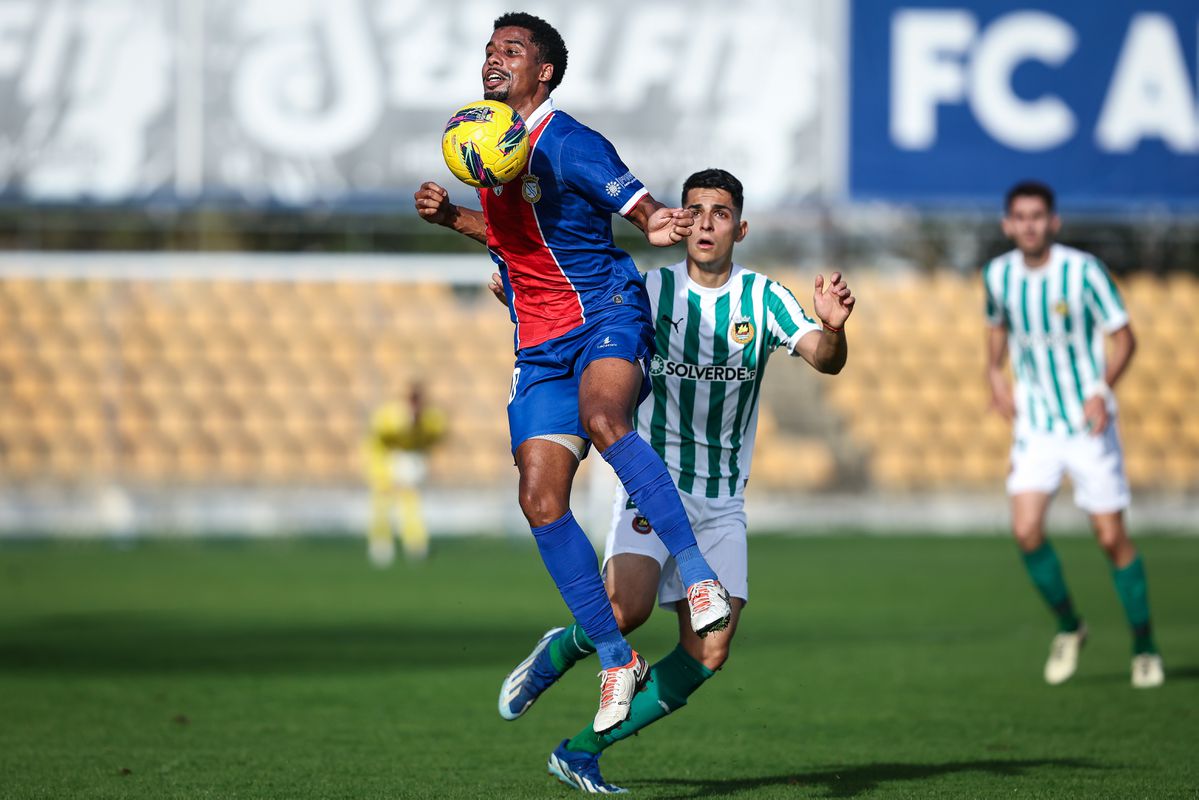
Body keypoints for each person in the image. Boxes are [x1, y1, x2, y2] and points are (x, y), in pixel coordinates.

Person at [412, 12, 731, 734]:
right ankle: (614, 657)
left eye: (512, 51)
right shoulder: (485, 147)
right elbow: (512, 238)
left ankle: (701, 578)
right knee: (539, 500)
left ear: (544, 72)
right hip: (541, 343)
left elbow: (644, 216)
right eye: (490, 50)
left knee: (604, 418)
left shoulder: (570, 142)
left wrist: (663, 222)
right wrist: (451, 219)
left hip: (606, 313)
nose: (494, 60)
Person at [493, 169, 856, 793]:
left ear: (741, 227)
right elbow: (570, 310)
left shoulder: (764, 299)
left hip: (722, 502)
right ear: (680, 222)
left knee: (709, 653)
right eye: (695, 210)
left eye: (721, 212)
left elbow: (824, 359)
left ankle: (578, 752)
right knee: (624, 612)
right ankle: (560, 651)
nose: (707, 222)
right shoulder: (644, 292)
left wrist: (835, 330)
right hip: (652, 486)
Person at [983, 180, 1163, 689]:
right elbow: (996, 326)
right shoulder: (997, 275)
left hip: (1088, 423)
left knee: (1111, 537)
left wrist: (1101, 389)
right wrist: (994, 375)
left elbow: (1125, 338)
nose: (1029, 224)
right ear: (1008, 224)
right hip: (1036, 424)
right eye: (1020, 216)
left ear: (1053, 222)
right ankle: (1069, 626)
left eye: (1038, 216)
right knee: (1025, 531)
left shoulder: (1082, 271)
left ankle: (1144, 644)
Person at [362, 385, 447, 565]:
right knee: (383, 503)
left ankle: (415, 546)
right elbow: (381, 436)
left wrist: (418, 458)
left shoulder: (430, 418)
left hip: (408, 461)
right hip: (384, 460)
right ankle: (381, 545)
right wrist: (394, 463)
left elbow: (437, 434)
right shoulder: (391, 415)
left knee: (410, 503)